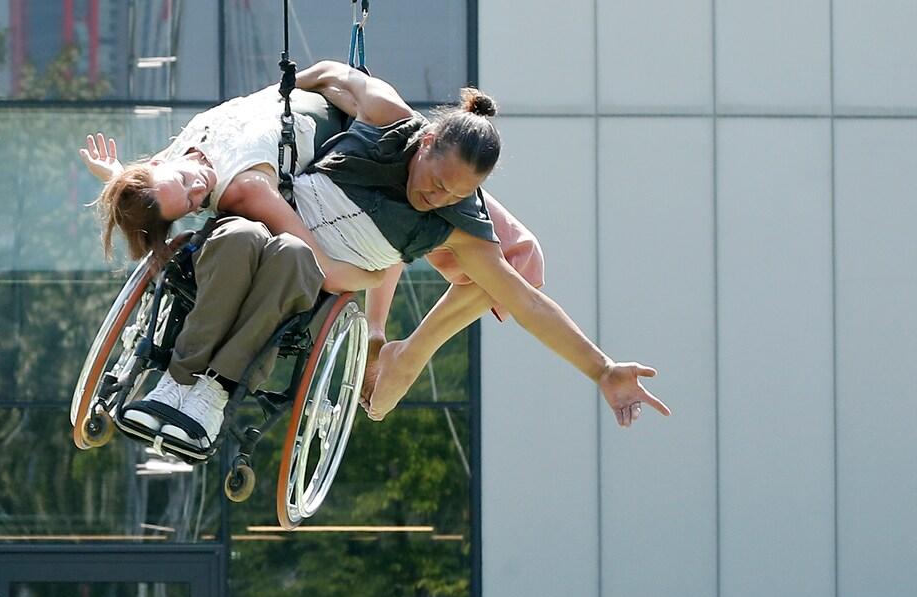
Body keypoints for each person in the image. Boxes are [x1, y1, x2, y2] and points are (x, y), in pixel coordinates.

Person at [83, 65, 664, 447]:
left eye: (455, 197)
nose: (434, 199)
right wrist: (290, 88)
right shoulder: (387, 115)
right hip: (271, 218)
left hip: (310, 261)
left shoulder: (458, 224)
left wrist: (602, 369)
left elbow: (527, 302)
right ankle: (171, 386)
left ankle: (210, 396)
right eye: (436, 183)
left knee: (288, 256)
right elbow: (331, 75)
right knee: (242, 239)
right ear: (427, 142)